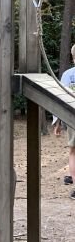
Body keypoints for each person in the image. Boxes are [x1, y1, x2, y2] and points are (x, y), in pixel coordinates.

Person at [52, 44, 75, 200]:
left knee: (73, 151)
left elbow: (60, 98)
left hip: (72, 116)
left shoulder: (68, 74)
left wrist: (57, 121)